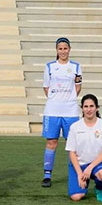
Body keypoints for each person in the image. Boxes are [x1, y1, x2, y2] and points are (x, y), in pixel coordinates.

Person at [41, 37, 82, 188]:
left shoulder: (76, 67)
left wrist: (69, 99)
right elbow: (46, 87)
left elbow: (78, 86)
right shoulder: (50, 67)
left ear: (69, 49)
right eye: (60, 48)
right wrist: (56, 99)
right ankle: (47, 175)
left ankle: (75, 172)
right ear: (56, 50)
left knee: (72, 143)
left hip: (70, 111)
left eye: (65, 48)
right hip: (52, 110)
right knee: (51, 142)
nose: (63, 51)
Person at [65, 94, 102, 202]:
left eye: (91, 106)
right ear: (82, 108)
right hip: (79, 165)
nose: (89, 109)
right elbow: (71, 152)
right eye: (86, 107)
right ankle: (82, 183)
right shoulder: (75, 127)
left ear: (97, 108)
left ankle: (99, 188)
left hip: (98, 164)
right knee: (76, 197)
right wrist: (79, 174)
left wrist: (89, 168)